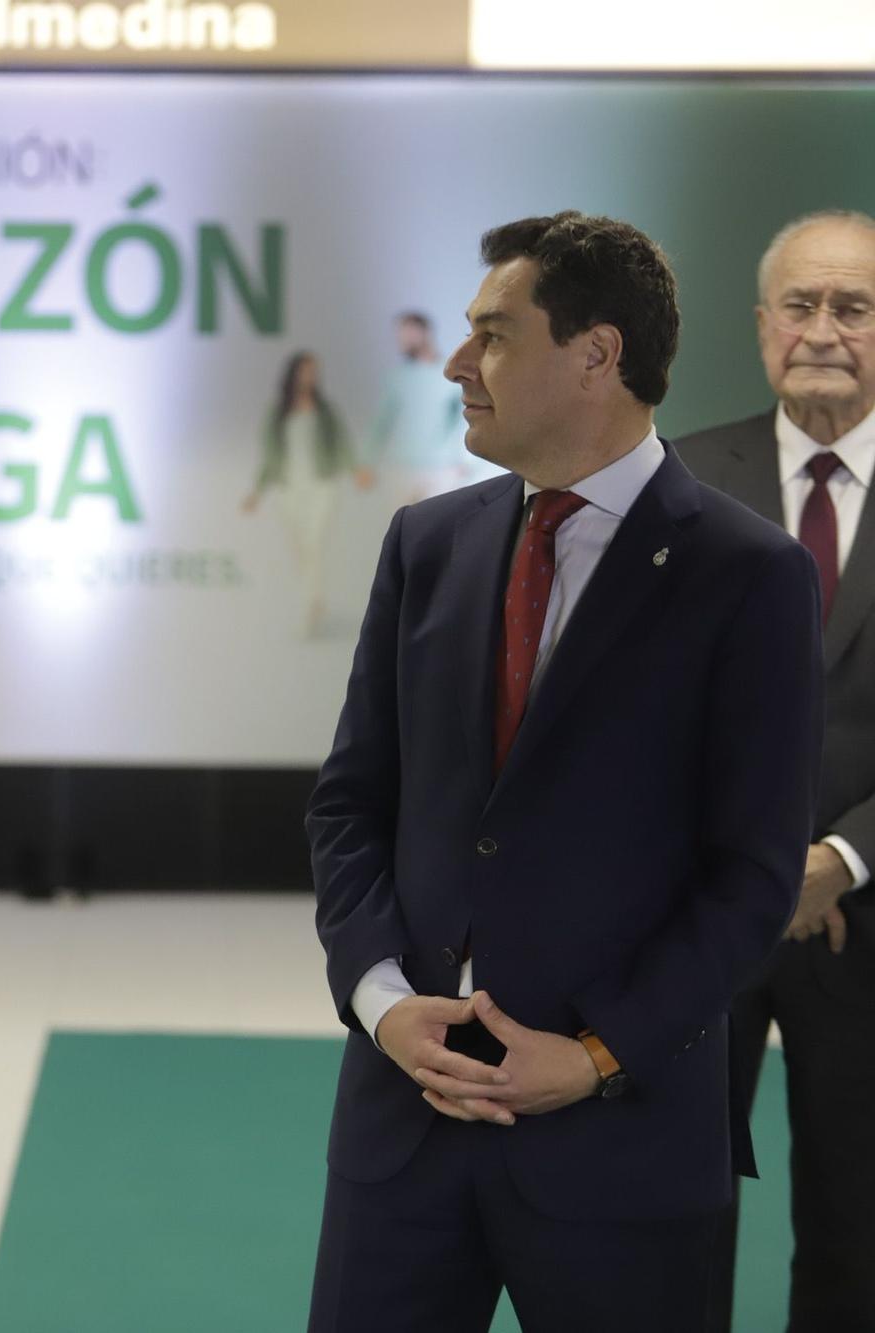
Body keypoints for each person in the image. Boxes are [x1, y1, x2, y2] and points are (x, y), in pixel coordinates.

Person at [306, 211, 824, 1333]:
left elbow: (748, 879)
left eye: (491, 334)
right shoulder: (424, 544)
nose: (456, 363)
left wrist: (589, 1056)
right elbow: (350, 806)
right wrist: (383, 1005)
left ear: (594, 354)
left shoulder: (750, 576)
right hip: (402, 1132)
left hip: (620, 1145)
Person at [679, 209, 875, 1333]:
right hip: (695, 929)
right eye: (798, 306)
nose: (821, 331)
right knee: (672, 1214)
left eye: (850, 307)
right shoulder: (678, 483)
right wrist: (760, 872)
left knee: (855, 1231)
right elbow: (635, 718)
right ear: (759, 328)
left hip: (866, 922)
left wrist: (838, 860)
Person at [242, 351, 354, 637]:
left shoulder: (325, 410)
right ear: (293, 374)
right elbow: (269, 456)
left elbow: (341, 444)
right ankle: (312, 599)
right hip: (288, 487)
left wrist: (354, 469)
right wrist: (256, 491)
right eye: (305, 371)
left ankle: (312, 604)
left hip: (321, 484)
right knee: (299, 548)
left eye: (314, 371)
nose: (310, 377)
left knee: (314, 543)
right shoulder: (278, 412)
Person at [364, 311, 470, 502]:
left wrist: (464, 459)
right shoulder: (397, 378)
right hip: (402, 469)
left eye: (408, 333)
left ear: (424, 332)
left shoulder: (448, 374)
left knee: (438, 527)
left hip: (442, 470)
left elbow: (464, 419)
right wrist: (367, 463)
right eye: (400, 335)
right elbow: (380, 424)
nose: (402, 339)